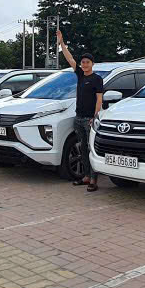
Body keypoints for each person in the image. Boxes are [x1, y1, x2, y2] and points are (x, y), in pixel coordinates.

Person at [57, 29, 104, 191]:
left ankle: (93, 180)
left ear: (92, 64)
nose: (84, 64)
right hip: (78, 118)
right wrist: (62, 43)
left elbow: (99, 99)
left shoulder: (97, 79)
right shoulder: (80, 75)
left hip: (89, 120)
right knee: (82, 148)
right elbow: (69, 58)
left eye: (87, 62)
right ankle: (85, 176)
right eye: (83, 62)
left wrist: (94, 117)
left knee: (91, 149)